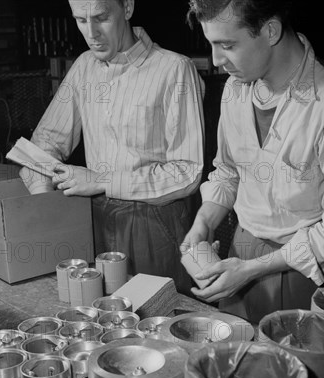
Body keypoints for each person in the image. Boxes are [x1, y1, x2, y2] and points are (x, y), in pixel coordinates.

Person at [181, 0, 324, 324]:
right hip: (239, 258)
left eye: (227, 45)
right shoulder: (234, 90)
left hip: (306, 274)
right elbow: (228, 172)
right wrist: (204, 222)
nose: (215, 61)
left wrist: (251, 270)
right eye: (212, 45)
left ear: (270, 30)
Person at [20, 0, 205, 294]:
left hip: (152, 224)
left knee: (155, 323)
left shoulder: (174, 69)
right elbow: (46, 142)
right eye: (81, 20)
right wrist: (45, 198)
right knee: (100, 320)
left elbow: (187, 173)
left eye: (101, 17)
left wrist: (101, 180)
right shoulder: (83, 67)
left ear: (128, 8)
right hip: (92, 219)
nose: (91, 33)